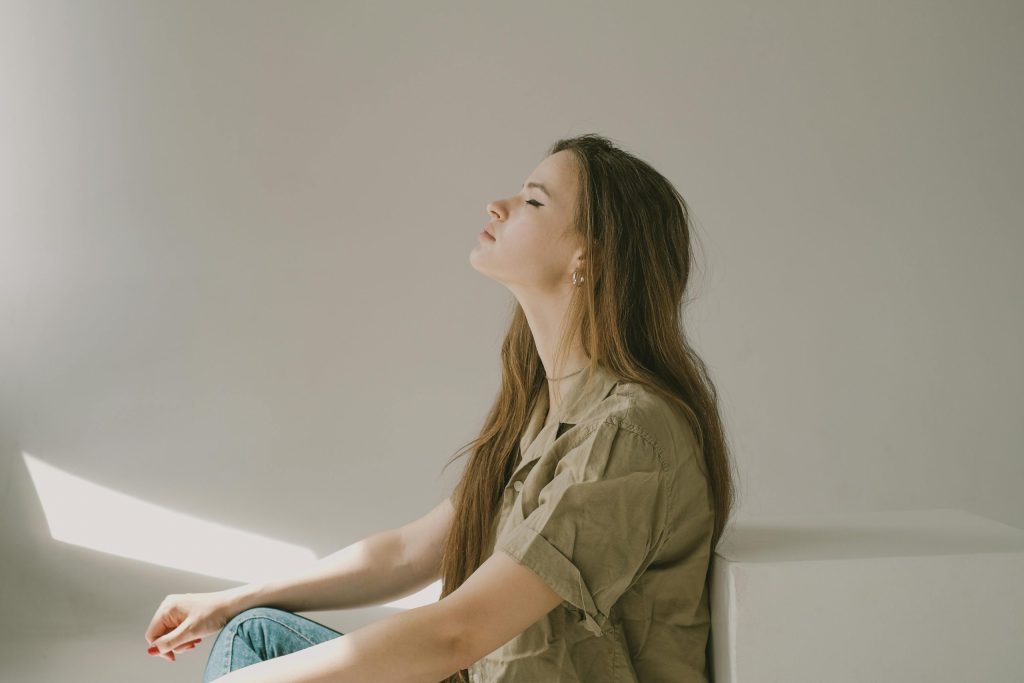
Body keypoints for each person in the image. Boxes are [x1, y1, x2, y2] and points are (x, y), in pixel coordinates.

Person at [143, 133, 736, 682]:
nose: (496, 206)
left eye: (533, 201)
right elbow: (409, 554)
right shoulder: (543, 410)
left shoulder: (629, 433)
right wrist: (229, 599)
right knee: (252, 632)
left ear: (589, 257)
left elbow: (457, 633)